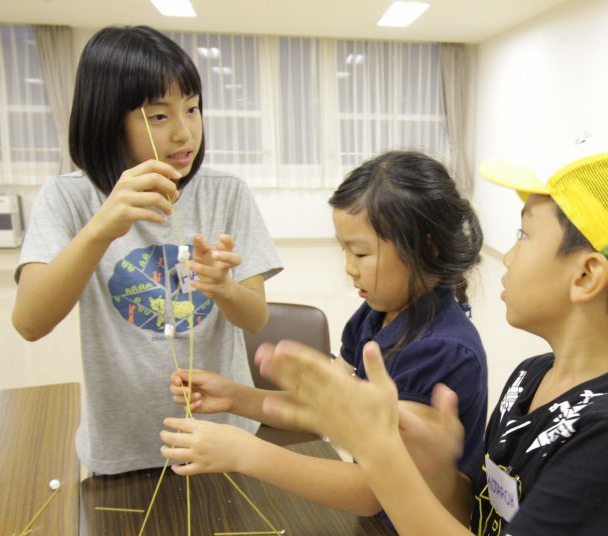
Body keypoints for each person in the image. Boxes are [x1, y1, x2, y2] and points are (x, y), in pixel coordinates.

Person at [254, 136, 608, 536]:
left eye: (524, 237)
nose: (505, 257)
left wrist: (380, 453)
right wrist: (436, 473)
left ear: (586, 276)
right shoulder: (531, 378)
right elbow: (486, 518)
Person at [12, 26, 282, 475]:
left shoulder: (226, 194)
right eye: (158, 116)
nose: (184, 132)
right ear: (107, 119)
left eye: (192, 109)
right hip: (123, 448)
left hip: (222, 438)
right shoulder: (69, 199)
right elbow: (30, 323)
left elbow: (254, 318)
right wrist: (102, 226)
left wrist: (222, 288)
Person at [159, 151, 488, 517]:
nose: (349, 268)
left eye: (361, 253)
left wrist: (245, 453)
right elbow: (326, 410)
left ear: (427, 248)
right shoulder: (375, 315)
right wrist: (236, 397)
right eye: (344, 249)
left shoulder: (442, 350)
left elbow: (375, 492)